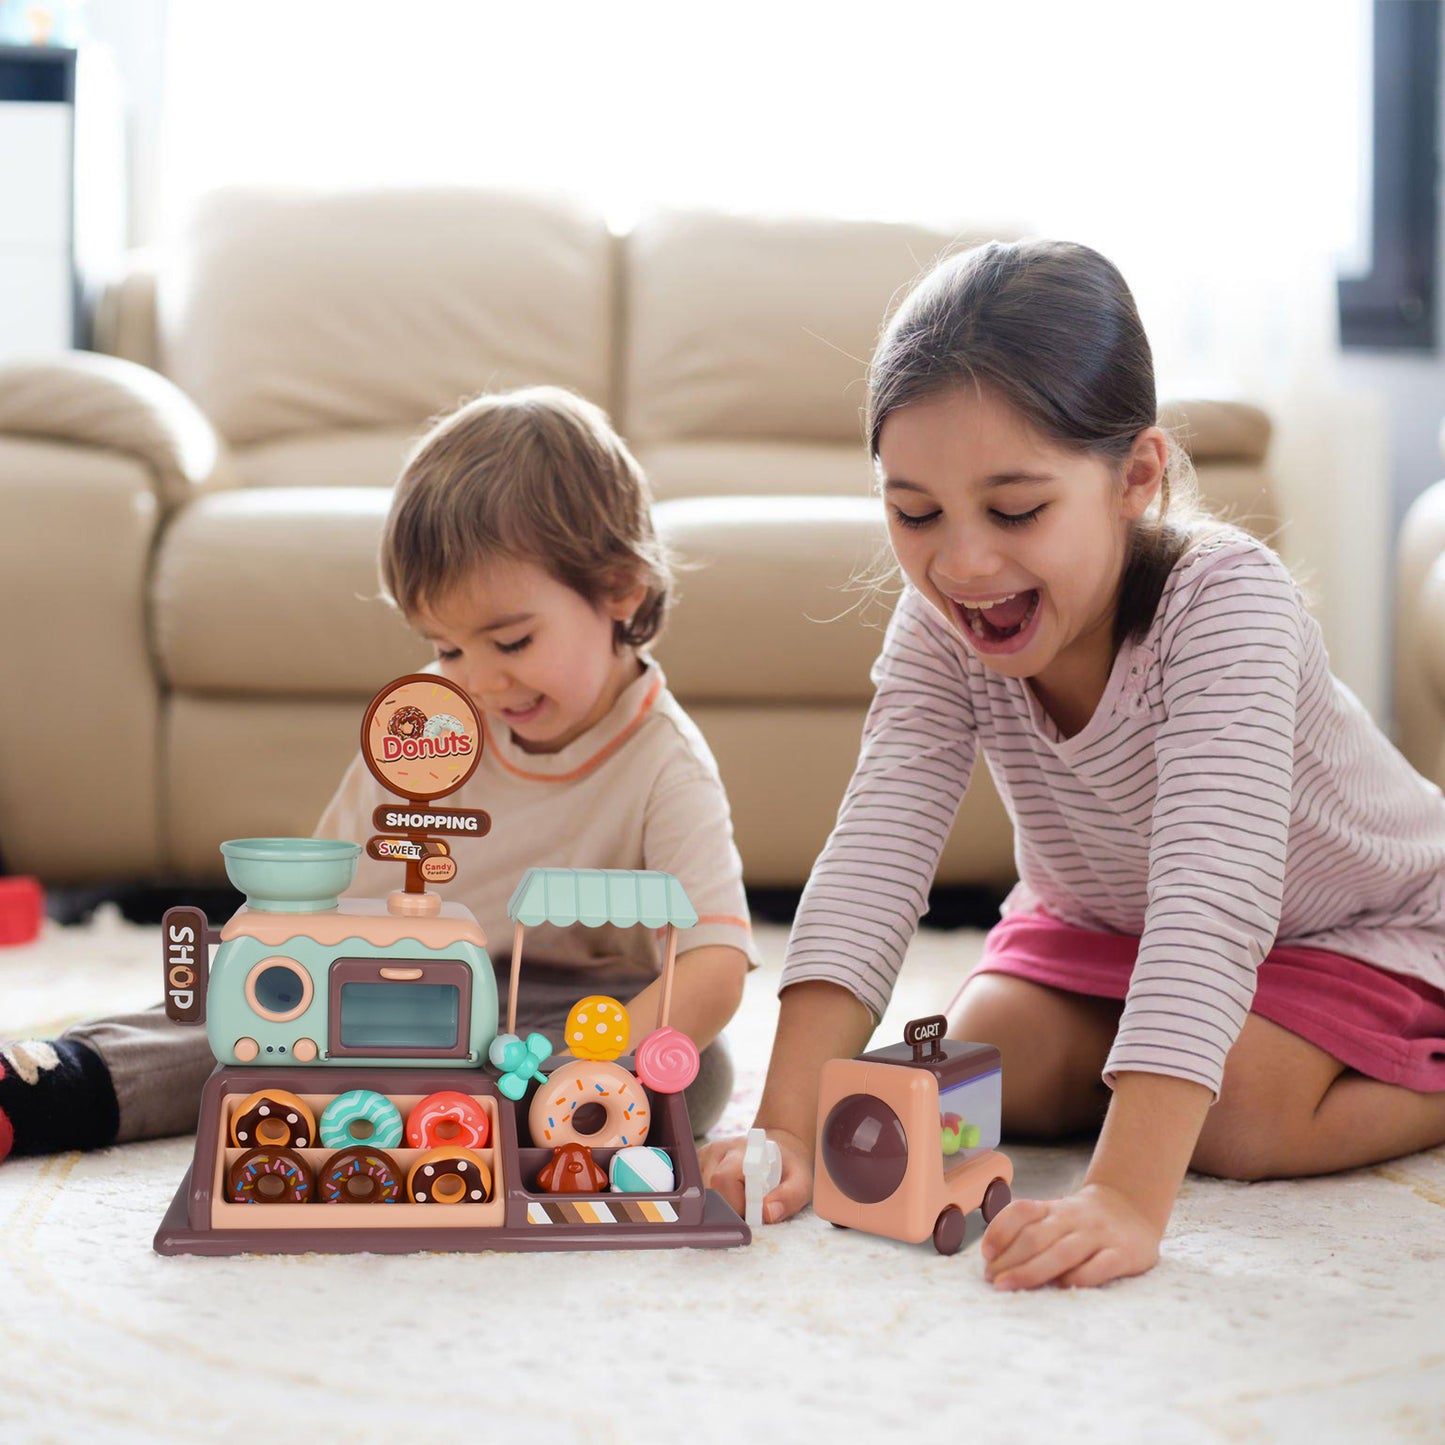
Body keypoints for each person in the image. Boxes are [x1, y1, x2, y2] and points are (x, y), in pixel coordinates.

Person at [701, 238, 1445, 1290]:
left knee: (1232, 1116)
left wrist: (1124, 1195)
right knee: (942, 1081)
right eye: (913, 512)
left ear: (1134, 477)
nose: (959, 563)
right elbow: (873, 848)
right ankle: (1144, 1051)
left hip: (1349, 924)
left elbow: (1211, 897)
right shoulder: (938, 626)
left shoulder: (1227, 604)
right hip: (1097, 924)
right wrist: (779, 1127)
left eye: (1013, 511)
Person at [0, 386, 757, 1163]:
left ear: (620, 591)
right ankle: (57, 1087)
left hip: (563, 1011)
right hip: (392, 982)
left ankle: (466, 1111)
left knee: (697, 1073)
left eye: (512, 641)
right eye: (449, 647)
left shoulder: (666, 762)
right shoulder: (430, 723)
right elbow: (320, 908)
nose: (482, 681)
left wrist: (594, 1063)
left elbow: (714, 964)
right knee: (240, 1017)